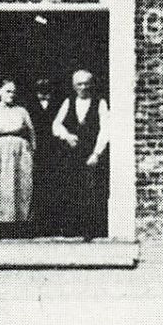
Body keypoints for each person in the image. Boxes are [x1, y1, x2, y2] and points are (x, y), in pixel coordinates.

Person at [53, 68, 111, 239]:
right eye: (79, 84)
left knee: (91, 191)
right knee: (71, 189)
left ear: (91, 85)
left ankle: (90, 230)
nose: (83, 87)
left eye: (86, 83)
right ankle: (71, 228)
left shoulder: (100, 103)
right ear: (74, 86)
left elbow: (105, 129)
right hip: (72, 154)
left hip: (90, 153)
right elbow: (56, 125)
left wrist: (97, 153)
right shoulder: (68, 102)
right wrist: (66, 136)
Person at [0, 79, 36, 238]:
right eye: (7, 91)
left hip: (20, 155)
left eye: (13, 92)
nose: (11, 95)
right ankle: (0, 228)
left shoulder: (22, 112)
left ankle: (20, 226)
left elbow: (31, 133)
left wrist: (32, 152)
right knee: (0, 188)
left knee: (21, 187)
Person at [26, 78, 64, 235]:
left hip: (55, 150)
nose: (43, 91)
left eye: (46, 88)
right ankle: (38, 225)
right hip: (37, 150)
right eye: (40, 88)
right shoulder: (28, 106)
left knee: (56, 186)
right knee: (37, 186)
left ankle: (55, 224)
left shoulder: (59, 104)